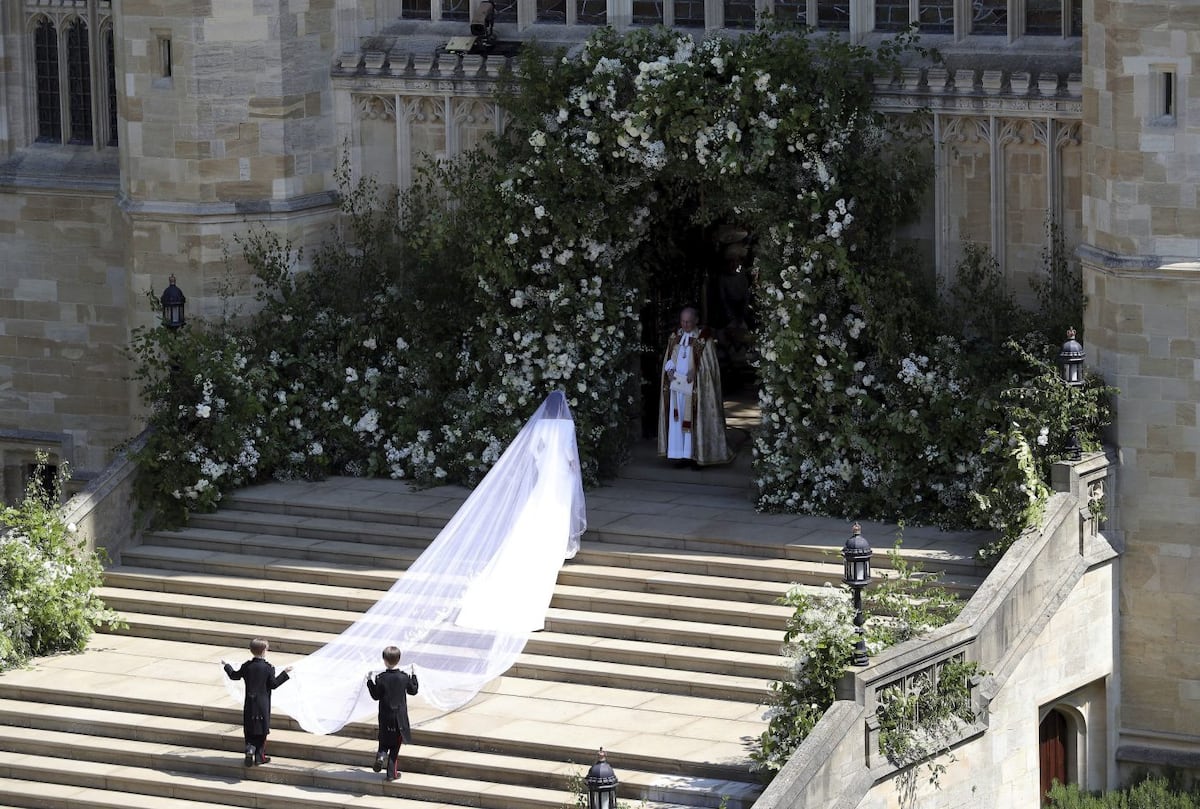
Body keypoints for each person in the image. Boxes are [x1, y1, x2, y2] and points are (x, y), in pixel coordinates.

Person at [658, 306, 733, 467]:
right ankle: (681, 455)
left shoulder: (704, 339)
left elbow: (710, 367)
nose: (685, 325)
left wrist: (697, 371)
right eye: (683, 321)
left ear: (696, 321)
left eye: (689, 322)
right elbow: (669, 358)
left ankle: (697, 456)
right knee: (678, 421)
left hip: (696, 389)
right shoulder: (675, 337)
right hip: (677, 388)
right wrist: (669, 370)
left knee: (695, 420)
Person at [221, 638, 292, 766]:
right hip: (262, 704)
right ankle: (260, 757)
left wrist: (227, 666)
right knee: (262, 729)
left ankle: (249, 749)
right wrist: (285, 673)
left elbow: (234, 676)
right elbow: (274, 684)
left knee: (250, 727)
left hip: (250, 702)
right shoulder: (268, 668)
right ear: (264, 651)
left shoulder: (247, 666)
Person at [366, 646, 420, 782]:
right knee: (395, 746)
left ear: (384, 660)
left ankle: (381, 755)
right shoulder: (404, 677)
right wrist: (414, 676)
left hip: (385, 716)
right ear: (399, 659)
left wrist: (369, 681)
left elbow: (375, 696)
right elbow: (413, 690)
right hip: (399, 718)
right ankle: (391, 774)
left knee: (384, 740)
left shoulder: (381, 678)